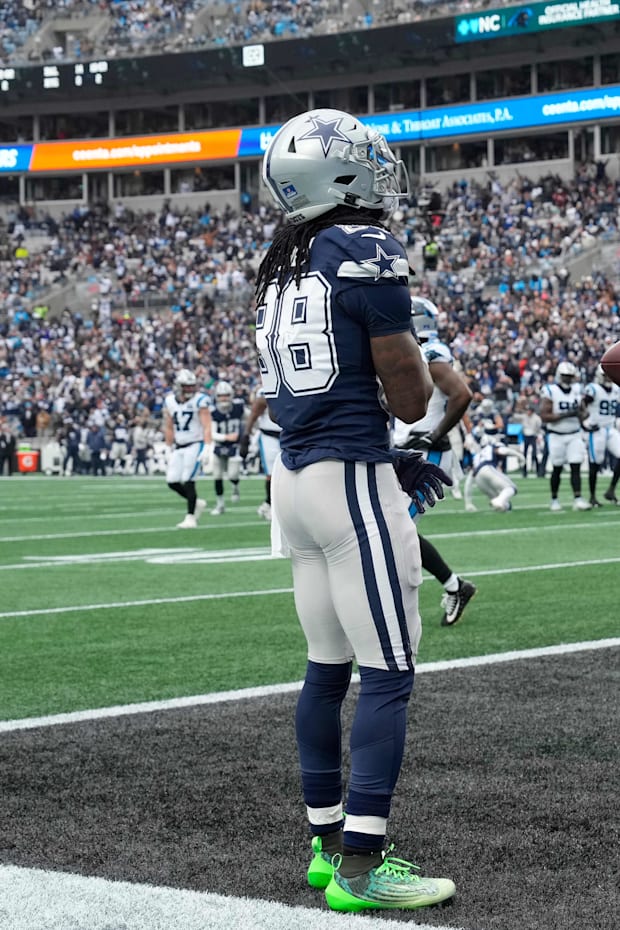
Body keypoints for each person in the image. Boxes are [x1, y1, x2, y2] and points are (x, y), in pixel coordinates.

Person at [255, 108, 455, 913]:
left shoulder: (281, 260)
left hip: (293, 481)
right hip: (348, 481)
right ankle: (364, 868)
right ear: (333, 173)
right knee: (390, 671)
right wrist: (404, 413)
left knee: (325, 668)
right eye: (363, 159)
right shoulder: (364, 244)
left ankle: (326, 844)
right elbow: (408, 394)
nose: (378, 170)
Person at [393, 297, 477, 627]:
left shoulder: (431, 353)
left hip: (424, 453)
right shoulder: (414, 349)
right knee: (394, 528)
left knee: (395, 529)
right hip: (407, 450)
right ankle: (455, 586)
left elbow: (462, 394)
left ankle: (444, 590)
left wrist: (434, 434)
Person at [163, 368, 212, 528]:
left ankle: (191, 517)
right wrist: (168, 446)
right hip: (179, 445)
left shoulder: (200, 400)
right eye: (186, 386)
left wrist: (207, 446)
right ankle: (196, 502)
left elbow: (207, 425)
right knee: (172, 481)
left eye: (192, 386)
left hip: (195, 444)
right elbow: (169, 426)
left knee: (188, 480)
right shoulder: (170, 401)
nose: (190, 389)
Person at [540, 361, 591, 511]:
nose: (568, 379)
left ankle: (578, 498)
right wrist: (567, 414)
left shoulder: (577, 390)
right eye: (565, 376)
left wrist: (583, 415)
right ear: (559, 375)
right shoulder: (551, 391)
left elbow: (584, 412)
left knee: (576, 466)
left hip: (574, 433)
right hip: (556, 434)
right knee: (557, 467)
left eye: (570, 376)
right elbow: (545, 416)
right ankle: (554, 499)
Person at [463, 422, 526, 512]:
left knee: (498, 498)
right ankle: (499, 501)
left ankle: (502, 504)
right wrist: (519, 455)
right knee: (511, 488)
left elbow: (469, 482)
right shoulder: (493, 446)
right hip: (487, 468)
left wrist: (468, 503)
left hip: (478, 478)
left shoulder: (478, 455)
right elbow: (503, 451)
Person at [239, 388, 282, 521]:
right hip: (269, 435)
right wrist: (246, 436)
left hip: (288, 434)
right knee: (272, 473)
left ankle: (268, 503)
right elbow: (254, 413)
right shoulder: (265, 391)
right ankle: (271, 506)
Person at [581, 365, 620, 507]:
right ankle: (592, 497)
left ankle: (611, 490)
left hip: (610, 428)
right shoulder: (593, 389)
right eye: (606, 375)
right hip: (596, 429)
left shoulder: (616, 389)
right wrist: (584, 423)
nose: (608, 378)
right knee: (595, 464)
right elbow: (582, 404)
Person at [209, 380, 245, 515]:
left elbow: (251, 418)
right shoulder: (213, 412)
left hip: (234, 447)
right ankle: (220, 504)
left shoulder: (238, 408)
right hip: (219, 446)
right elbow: (212, 433)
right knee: (217, 476)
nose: (224, 398)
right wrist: (226, 437)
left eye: (226, 395)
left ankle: (235, 486)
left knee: (233, 475)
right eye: (221, 396)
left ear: (231, 395)